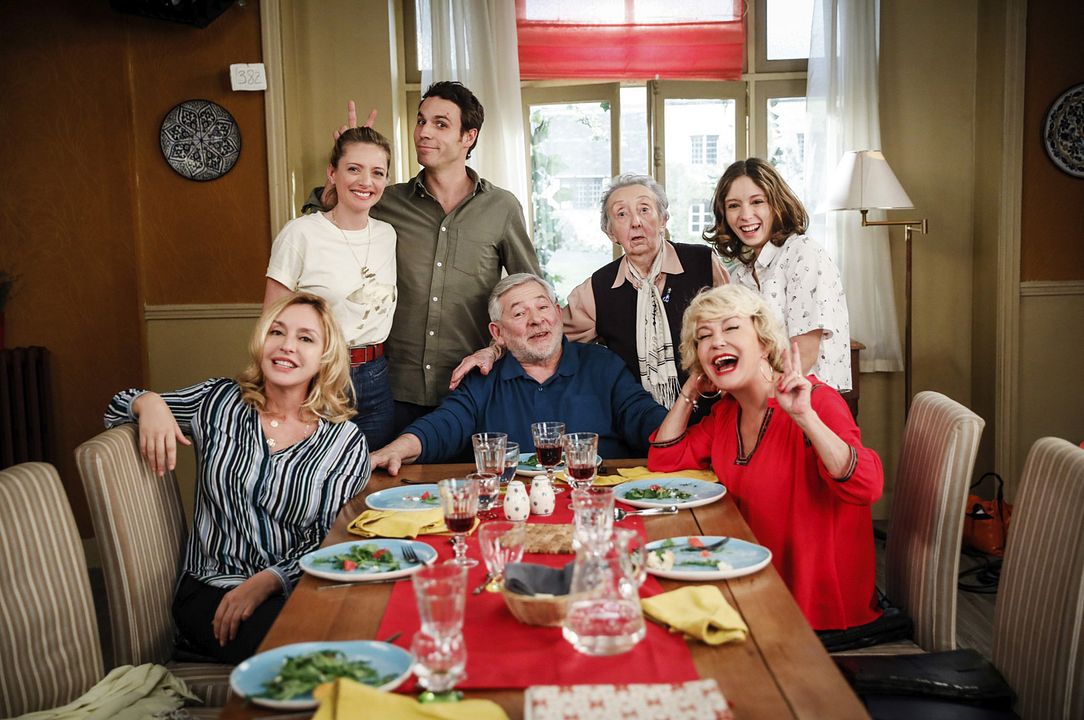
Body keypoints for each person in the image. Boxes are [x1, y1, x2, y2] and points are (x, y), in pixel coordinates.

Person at [105, 293, 370, 663]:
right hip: (211, 589)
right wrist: (147, 402)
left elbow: (325, 539)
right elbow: (117, 409)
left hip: (297, 589)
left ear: (326, 357)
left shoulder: (344, 442)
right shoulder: (216, 402)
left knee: (365, 634)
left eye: (305, 338)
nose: (287, 346)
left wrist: (269, 581)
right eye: (277, 332)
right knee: (311, 654)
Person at [647, 284, 882, 631]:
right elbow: (664, 460)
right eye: (704, 336)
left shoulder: (816, 401)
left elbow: (867, 487)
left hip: (815, 610)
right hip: (752, 582)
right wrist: (689, 391)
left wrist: (805, 417)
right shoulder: (728, 413)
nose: (716, 342)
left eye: (730, 327)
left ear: (764, 342)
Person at [329, 82, 541, 433]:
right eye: (421, 120)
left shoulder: (501, 208)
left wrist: (497, 348)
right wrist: (348, 157)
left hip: (470, 390)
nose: (423, 132)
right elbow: (324, 223)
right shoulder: (386, 202)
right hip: (388, 390)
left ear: (468, 136)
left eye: (440, 124)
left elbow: (529, 292)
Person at [451, 174, 729, 420]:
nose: (635, 222)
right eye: (621, 214)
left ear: (664, 219)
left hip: (715, 413)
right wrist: (494, 349)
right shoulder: (597, 288)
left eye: (645, 210)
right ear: (610, 233)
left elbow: (739, 328)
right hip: (638, 422)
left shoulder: (703, 263)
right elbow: (545, 332)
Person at [373, 273, 668, 475]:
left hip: (595, 498)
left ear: (557, 313)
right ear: (497, 333)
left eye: (542, 307)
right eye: (519, 313)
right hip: (508, 510)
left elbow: (645, 420)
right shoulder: (483, 378)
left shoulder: (603, 366)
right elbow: (442, 427)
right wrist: (394, 451)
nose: (536, 319)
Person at [265, 127, 398, 450]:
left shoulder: (388, 235)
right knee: (315, 483)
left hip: (377, 378)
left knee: (370, 482)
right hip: (319, 375)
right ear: (332, 173)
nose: (366, 182)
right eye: (354, 169)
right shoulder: (301, 234)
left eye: (377, 172)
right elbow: (271, 322)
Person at [704, 158, 851, 391]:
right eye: (733, 205)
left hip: (807, 402)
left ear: (776, 205)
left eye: (757, 202)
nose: (745, 215)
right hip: (762, 399)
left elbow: (803, 355)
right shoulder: (740, 272)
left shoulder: (804, 253)